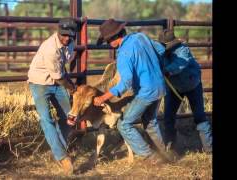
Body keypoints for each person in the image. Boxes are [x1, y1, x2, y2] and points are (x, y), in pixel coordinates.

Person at [94, 19, 173, 164]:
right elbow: (161, 50)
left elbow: (126, 82)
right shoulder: (140, 36)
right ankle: (164, 154)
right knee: (150, 120)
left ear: (113, 38)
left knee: (124, 124)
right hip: (160, 86)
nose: (108, 44)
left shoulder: (123, 54)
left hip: (146, 91)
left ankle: (149, 156)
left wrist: (103, 97)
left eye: (107, 41)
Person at [27, 18, 77, 175]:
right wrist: (74, 89)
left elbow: (61, 67)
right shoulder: (50, 48)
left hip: (57, 81)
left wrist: (69, 85)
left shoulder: (70, 44)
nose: (67, 38)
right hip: (40, 82)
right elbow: (59, 76)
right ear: (58, 31)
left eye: (70, 35)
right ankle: (62, 157)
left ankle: (60, 148)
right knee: (46, 119)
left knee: (69, 117)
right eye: (64, 35)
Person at [158, 29, 212, 153]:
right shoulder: (161, 53)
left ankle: (209, 149)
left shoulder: (183, 50)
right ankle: (170, 147)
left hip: (192, 85)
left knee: (199, 116)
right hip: (174, 87)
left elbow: (179, 65)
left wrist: (165, 71)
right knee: (168, 117)